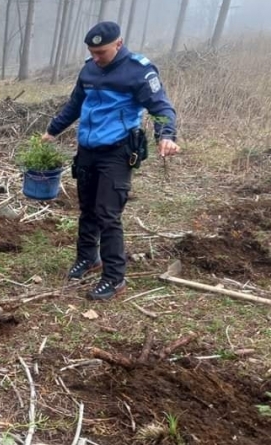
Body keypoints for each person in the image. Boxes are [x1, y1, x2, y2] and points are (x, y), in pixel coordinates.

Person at [42, 21, 181, 301]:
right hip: (88, 150)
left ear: (118, 44)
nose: (96, 58)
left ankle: (115, 277)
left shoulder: (138, 71)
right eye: (92, 52)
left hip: (117, 152)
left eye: (101, 52)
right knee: (88, 209)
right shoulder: (89, 68)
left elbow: (161, 107)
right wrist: (52, 130)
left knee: (107, 214)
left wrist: (166, 135)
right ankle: (88, 259)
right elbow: (75, 104)